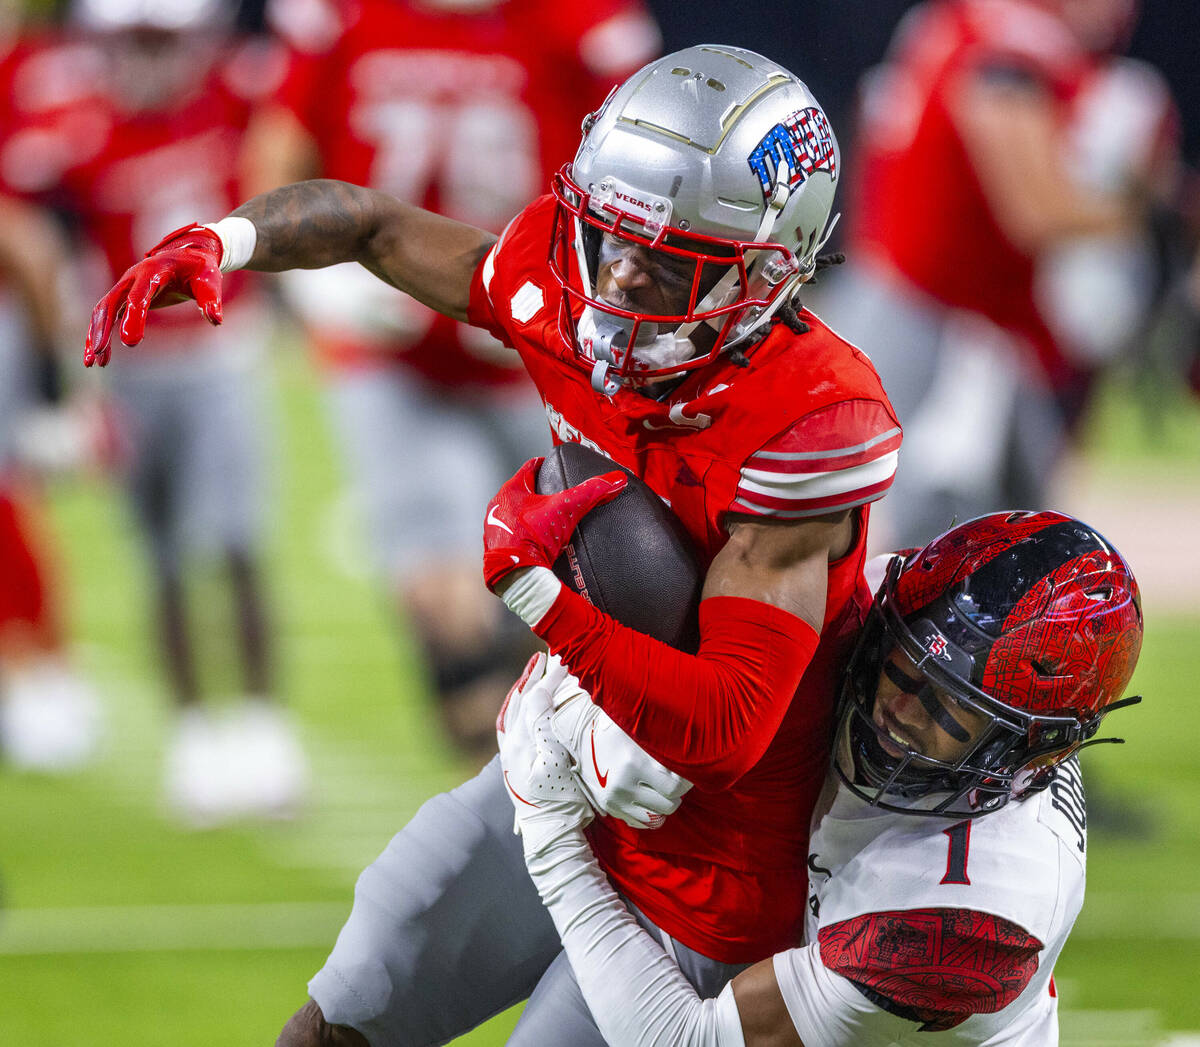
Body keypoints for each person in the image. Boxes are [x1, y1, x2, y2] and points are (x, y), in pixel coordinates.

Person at [85, 45, 901, 1045]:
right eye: (609, 240)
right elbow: (375, 225)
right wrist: (229, 236)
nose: (623, 279)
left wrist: (536, 589)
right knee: (337, 1022)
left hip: (716, 863)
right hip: (558, 770)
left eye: (671, 260)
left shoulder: (807, 421)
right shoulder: (565, 284)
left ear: (771, 265)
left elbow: (725, 728)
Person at [498, 509, 1144, 1046]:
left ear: (1028, 748)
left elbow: (685, 1041)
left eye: (951, 708)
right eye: (903, 667)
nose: (900, 707)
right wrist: (607, 707)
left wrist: (552, 836)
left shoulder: (968, 918)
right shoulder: (892, 610)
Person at [240, 0, 662, 760]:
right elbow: (279, 147)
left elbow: (651, 173)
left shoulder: (578, 21)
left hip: (539, 351)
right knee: (444, 610)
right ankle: (510, 793)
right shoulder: (337, 16)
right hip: (389, 346)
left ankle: (559, 756)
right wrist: (306, 287)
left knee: (611, 586)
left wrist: (588, 294)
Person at [45, 0, 308, 824]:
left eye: (165, 38)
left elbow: (293, 160)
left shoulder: (235, 97)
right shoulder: (73, 120)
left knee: (235, 542)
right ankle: (195, 734)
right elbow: (44, 244)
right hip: (127, 367)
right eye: (138, 40)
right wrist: (72, 387)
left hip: (220, 353)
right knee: (158, 556)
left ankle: (265, 729)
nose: (154, 58)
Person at [814, 0, 1176, 552]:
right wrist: (1152, 214)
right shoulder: (1016, 38)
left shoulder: (952, 20)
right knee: (942, 538)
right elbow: (1034, 209)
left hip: (917, 302)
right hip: (937, 321)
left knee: (1031, 532)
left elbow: (873, 123)